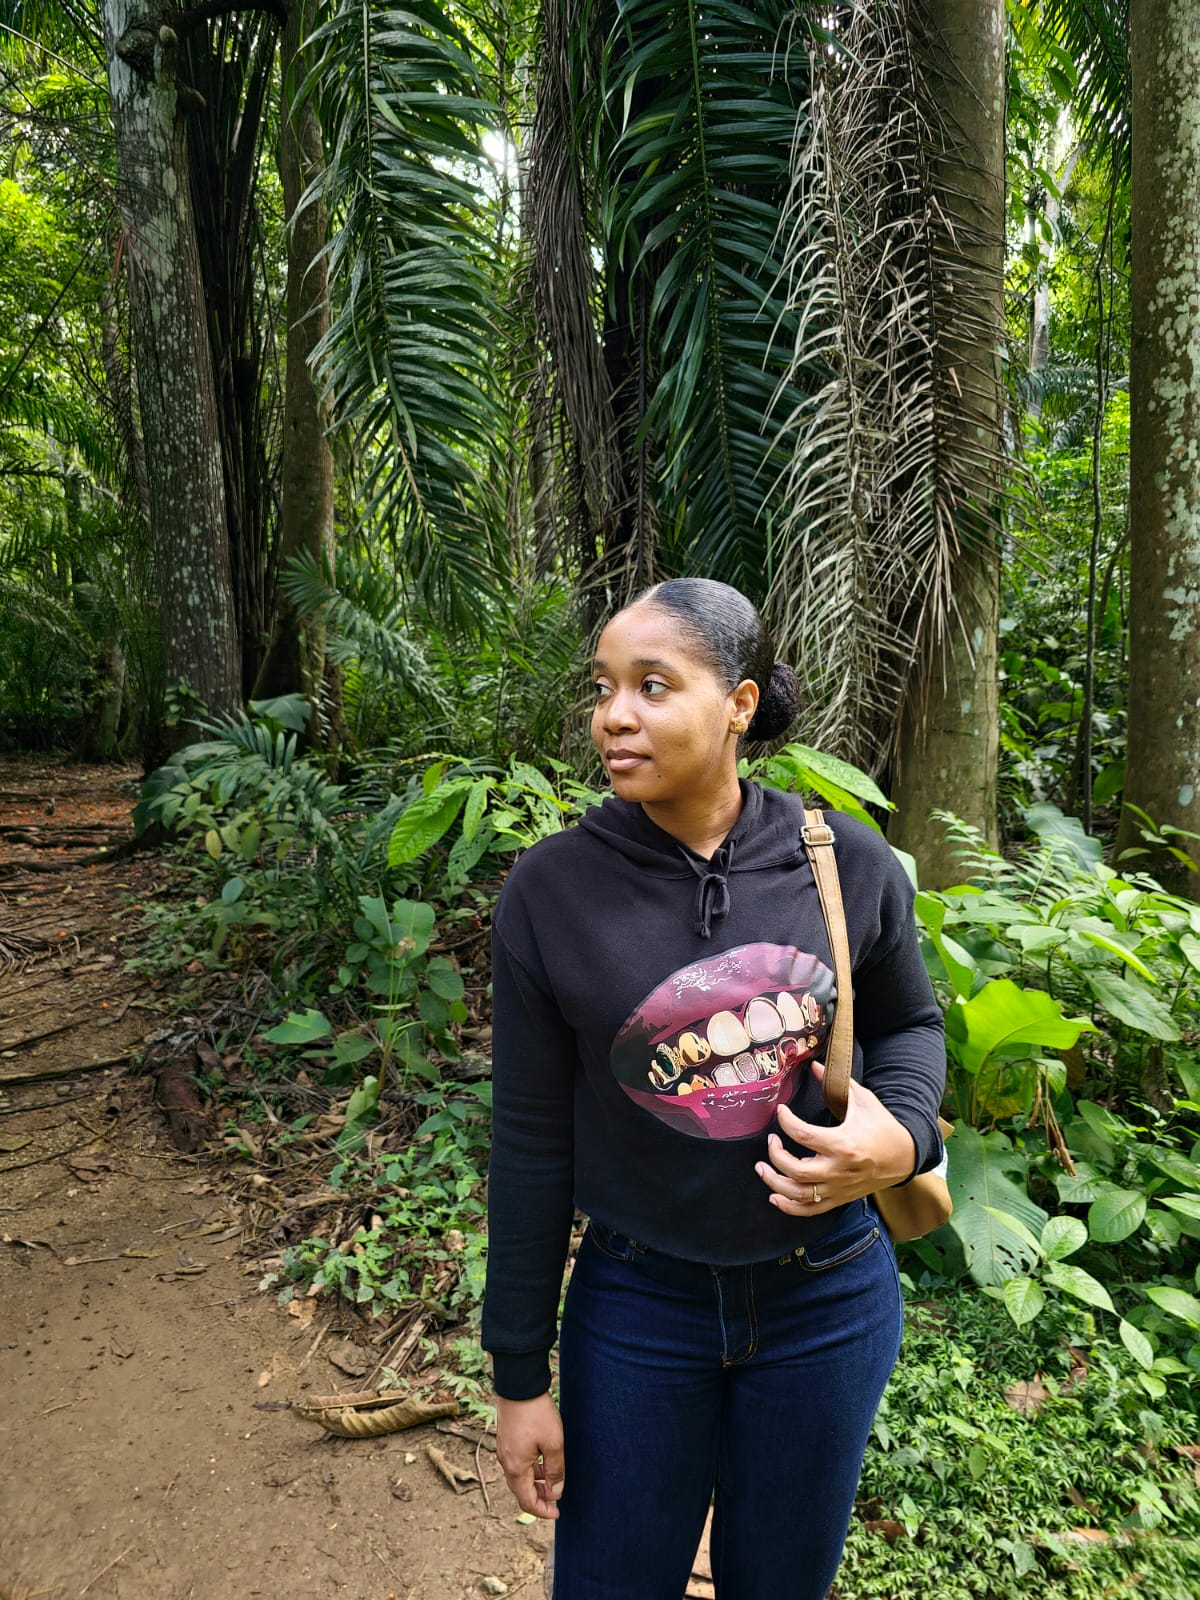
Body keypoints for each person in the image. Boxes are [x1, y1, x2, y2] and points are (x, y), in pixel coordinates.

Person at [482, 578, 947, 1600]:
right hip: (639, 1303)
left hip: (828, 1295)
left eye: (653, 685)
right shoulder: (551, 892)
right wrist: (519, 1375)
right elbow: (526, 1142)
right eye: (604, 687)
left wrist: (904, 1137)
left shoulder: (843, 858)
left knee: (782, 1581)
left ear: (739, 704)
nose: (614, 713)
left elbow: (912, 1023)